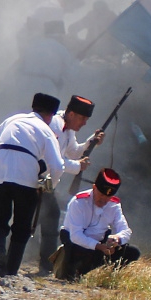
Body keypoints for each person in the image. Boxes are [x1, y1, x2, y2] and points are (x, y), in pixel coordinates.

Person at [0, 93, 83, 276]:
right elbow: (57, 166)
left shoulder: (13, 119)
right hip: (25, 178)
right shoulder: (46, 129)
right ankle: (10, 271)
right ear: (50, 115)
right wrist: (49, 185)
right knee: (22, 227)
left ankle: (0, 252)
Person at [37, 95, 100, 274]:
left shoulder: (68, 129)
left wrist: (91, 141)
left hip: (47, 183)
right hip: (38, 179)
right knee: (42, 218)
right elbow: (54, 159)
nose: (84, 123)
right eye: (82, 118)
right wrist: (78, 166)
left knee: (45, 218)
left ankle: (45, 264)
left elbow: (73, 152)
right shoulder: (54, 126)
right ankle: (44, 264)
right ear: (71, 114)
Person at [59, 167, 141, 280]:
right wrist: (99, 246)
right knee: (71, 272)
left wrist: (117, 239)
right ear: (94, 188)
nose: (104, 199)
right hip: (77, 245)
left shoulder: (114, 205)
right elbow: (76, 236)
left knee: (132, 252)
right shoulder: (78, 202)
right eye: (101, 195)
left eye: (108, 196)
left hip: (101, 245)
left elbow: (126, 231)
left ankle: (107, 278)